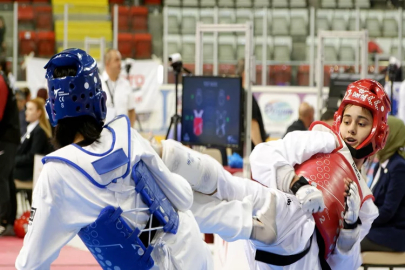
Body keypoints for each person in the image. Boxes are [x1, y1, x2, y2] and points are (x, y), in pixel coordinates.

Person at [161, 78, 390, 269]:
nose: (351, 128)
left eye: (361, 124)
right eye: (347, 121)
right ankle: (166, 166)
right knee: (238, 190)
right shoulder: (323, 140)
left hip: (304, 258)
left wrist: (350, 229)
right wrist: (296, 184)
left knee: (253, 202)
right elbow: (262, 154)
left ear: (376, 132)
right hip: (278, 214)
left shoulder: (365, 203)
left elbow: (343, 266)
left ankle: (168, 181)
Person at [15, 48, 212, 270]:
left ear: (52, 111)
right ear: (101, 101)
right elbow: (184, 197)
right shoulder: (126, 135)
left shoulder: (57, 171)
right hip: (193, 246)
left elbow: (30, 263)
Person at [361, 116, 405, 252]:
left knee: (347, 243)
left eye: (383, 134)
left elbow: (387, 211)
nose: (377, 138)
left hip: (393, 234)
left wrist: (362, 220)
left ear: (392, 137)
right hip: (380, 228)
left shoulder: (398, 167)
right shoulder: (382, 163)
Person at [0, 58, 20, 236]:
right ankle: (10, 220)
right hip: (8, 136)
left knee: (1, 176)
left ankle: (3, 220)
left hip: (6, 137)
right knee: (7, 177)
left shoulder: (0, 81)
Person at [14, 98, 52, 182]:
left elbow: (32, 156)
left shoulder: (39, 131)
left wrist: (14, 160)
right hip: (24, 167)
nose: (26, 112)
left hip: (30, 171)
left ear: (39, 112)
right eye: (27, 109)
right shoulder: (30, 128)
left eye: (30, 109)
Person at [101, 48, 136, 127]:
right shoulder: (99, 84)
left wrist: (130, 130)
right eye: (116, 60)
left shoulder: (126, 84)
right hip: (103, 134)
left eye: (120, 60)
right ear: (108, 63)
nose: (120, 63)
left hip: (122, 133)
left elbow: (131, 110)